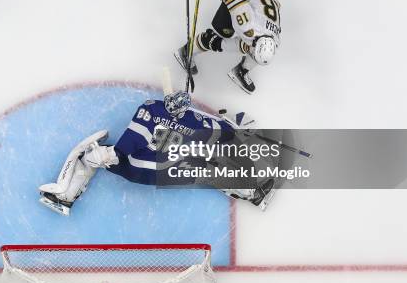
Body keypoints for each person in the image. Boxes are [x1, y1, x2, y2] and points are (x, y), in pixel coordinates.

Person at [38, 91, 274, 215]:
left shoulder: (172, 111)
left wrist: (234, 127)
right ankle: (68, 192)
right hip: (141, 164)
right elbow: (134, 138)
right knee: (205, 168)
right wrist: (117, 153)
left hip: (150, 163)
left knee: (95, 158)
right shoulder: (156, 110)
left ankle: (67, 194)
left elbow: (217, 125)